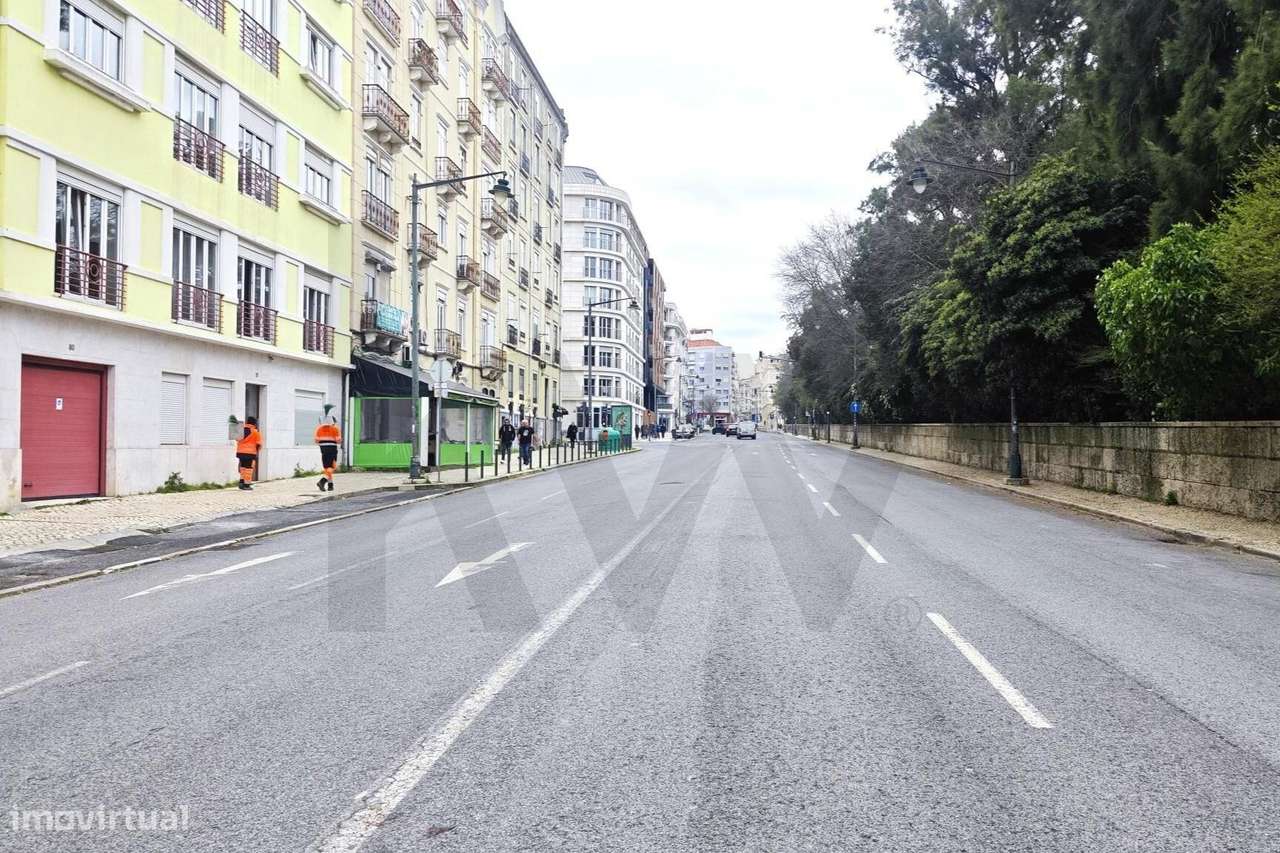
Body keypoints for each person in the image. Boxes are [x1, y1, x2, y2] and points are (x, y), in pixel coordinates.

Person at [313, 405, 341, 492]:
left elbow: (316, 441)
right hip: (332, 448)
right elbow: (338, 440)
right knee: (332, 466)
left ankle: (330, 485)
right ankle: (322, 481)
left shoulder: (318, 429)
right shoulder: (335, 428)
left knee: (327, 467)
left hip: (323, 449)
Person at [236, 416, 262, 490]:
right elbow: (259, 444)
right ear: (254, 423)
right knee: (248, 469)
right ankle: (247, 485)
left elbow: (237, 439)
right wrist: (256, 452)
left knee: (243, 468)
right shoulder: (255, 432)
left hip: (240, 452)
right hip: (250, 453)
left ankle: (241, 483)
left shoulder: (241, 430)